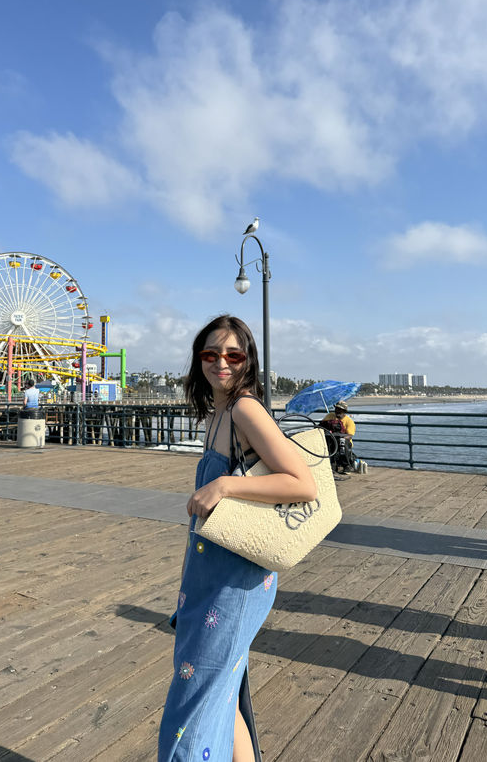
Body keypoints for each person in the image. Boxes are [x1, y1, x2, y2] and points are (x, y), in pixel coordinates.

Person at [158, 315, 316, 762]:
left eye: (233, 354)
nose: (221, 362)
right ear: (198, 360)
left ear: (248, 360)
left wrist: (224, 485)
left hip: (236, 581)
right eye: (211, 354)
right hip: (208, 576)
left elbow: (302, 483)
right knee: (221, 696)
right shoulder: (219, 413)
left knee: (192, 705)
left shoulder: (246, 409)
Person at [319, 401, 356, 474]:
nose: (337, 411)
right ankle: (332, 465)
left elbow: (350, 435)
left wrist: (340, 438)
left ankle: (347, 466)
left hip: (343, 441)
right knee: (327, 442)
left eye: (340, 409)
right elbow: (321, 426)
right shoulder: (330, 416)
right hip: (331, 440)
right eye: (336, 409)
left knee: (342, 443)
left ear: (344, 411)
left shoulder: (349, 421)